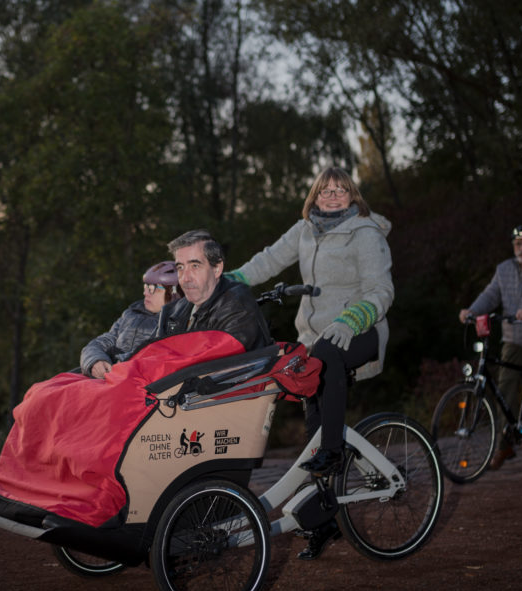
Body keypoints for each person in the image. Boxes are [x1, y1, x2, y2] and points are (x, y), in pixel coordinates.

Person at [227, 166, 393, 560]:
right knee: (312, 418)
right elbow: (268, 260)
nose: (332, 196)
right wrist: (230, 280)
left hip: (361, 328)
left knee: (326, 370)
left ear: (352, 196)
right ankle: (323, 521)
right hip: (315, 338)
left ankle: (334, 451)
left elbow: (382, 289)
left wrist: (353, 318)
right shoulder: (304, 230)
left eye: (340, 190)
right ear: (315, 197)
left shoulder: (366, 233)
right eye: (325, 191)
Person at [458, 224, 522, 477]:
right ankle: (505, 445)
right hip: (513, 338)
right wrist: (471, 310)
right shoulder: (504, 269)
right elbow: (491, 294)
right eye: (518, 244)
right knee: (504, 388)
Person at [156, 229, 272, 351]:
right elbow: (152, 359)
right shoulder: (170, 312)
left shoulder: (238, 309)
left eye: (195, 266)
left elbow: (208, 363)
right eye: (180, 267)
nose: (185, 278)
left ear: (217, 268)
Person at [80, 261, 179, 378]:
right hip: (110, 377)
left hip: (136, 383)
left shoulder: (174, 323)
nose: (145, 292)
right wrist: (95, 361)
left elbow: (157, 358)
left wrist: (120, 367)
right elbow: (103, 341)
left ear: (174, 293)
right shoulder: (132, 313)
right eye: (146, 286)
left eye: (153, 288)